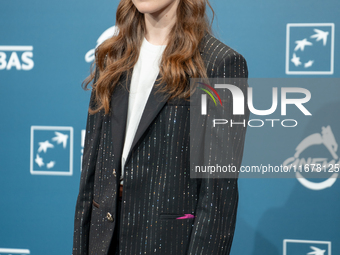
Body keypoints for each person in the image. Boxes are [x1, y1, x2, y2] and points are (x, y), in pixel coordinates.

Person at [73, 0, 249, 254]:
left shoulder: (219, 64)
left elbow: (218, 196)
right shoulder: (112, 56)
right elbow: (91, 172)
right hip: (103, 239)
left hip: (166, 240)